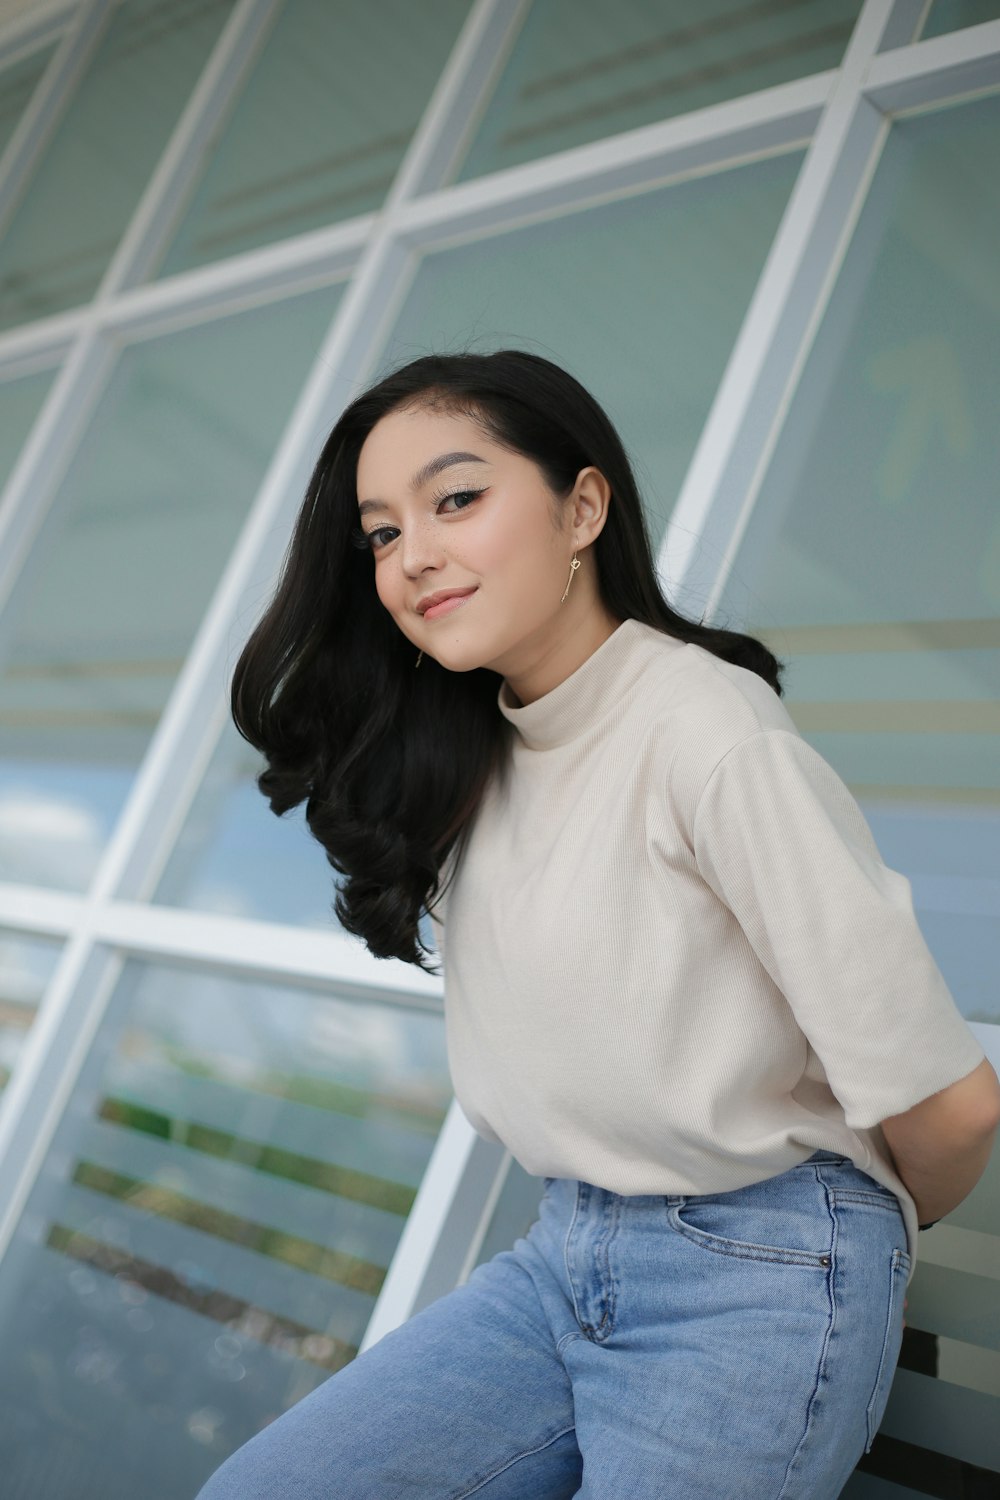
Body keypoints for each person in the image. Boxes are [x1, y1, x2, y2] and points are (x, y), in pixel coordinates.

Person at [197, 349, 999, 1499]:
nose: (411, 556)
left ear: (582, 506)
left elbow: (953, 1108)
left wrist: (813, 1242)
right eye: (379, 534)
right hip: (562, 1262)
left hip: (756, 1274)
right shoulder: (478, 748)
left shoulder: (711, 736)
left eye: (456, 499)